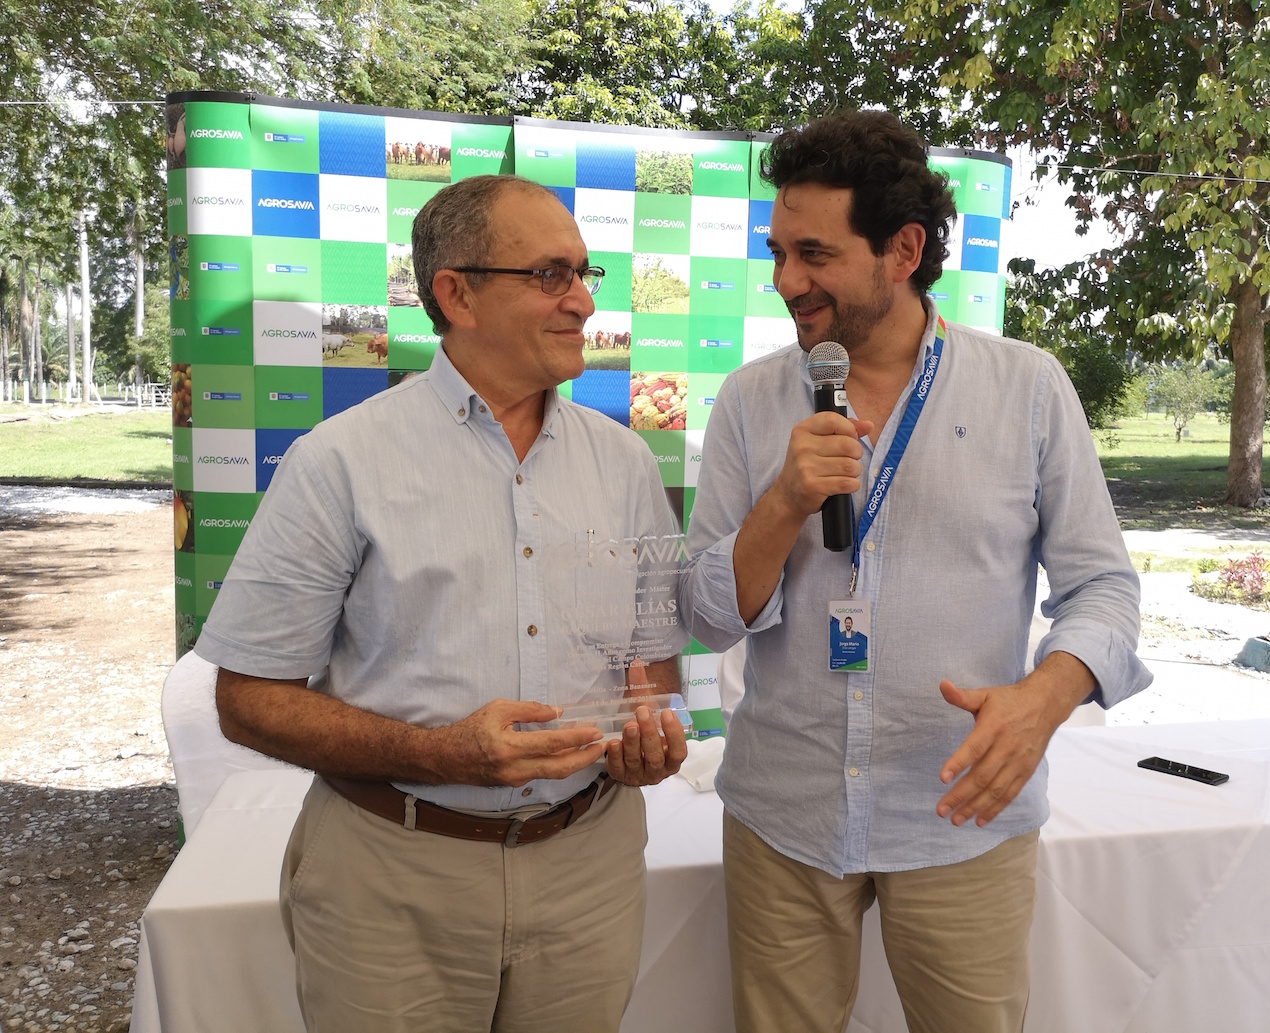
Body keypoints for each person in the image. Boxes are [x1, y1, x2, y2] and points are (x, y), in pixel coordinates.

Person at [684, 111, 1151, 1033]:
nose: (787, 281)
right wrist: (782, 503)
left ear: (903, 248)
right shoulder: (750, 397)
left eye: (814, 253)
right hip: (785, 814)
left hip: (960, 813)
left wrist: (1045, 697)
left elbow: (1105, 587)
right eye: (777, 251)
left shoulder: (1027, 386)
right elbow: (709, 616)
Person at [195, 174, 689, 1033]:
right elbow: (246, 701)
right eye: (550, 275)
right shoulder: (340, 462)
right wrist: (441, 753)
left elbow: (649, 665)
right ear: (454, 293)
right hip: (393, 876)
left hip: (589, 864)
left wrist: (649, 729)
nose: (582, 301)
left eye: (585, 273)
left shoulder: (626, 463)